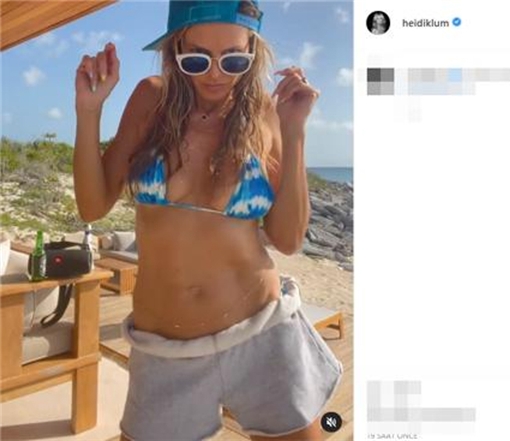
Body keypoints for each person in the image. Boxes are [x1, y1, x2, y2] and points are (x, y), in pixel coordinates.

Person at [73, 1, 342, 440]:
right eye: (197, 59)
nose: (216, 74)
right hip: (165, 352)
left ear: (252, 49)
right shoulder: (150, 100)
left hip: (264, 335)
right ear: (175, 49)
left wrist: (294, 133)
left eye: (233, 59)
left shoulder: (266, 114)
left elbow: (288, 239)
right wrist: (89, 112)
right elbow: (92, 206)